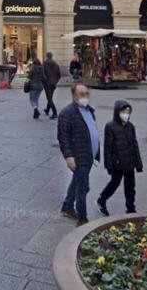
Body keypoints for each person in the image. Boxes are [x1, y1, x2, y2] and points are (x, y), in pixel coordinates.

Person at [58, 84, 100, 226]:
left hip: (89, 155)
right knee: (83, 187)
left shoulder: (89, 111)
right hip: (78, 156)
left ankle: (67, 206)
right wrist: (68, 157)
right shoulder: (67, 113)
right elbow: (63, 137)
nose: (85, 97)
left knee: (77, 181)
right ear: (73, 96)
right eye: (81, 94)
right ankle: (82, 219)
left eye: (87, 93)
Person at [96, 101, 143, 216]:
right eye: (123, 111)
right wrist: (108, 165)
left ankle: (131, 208)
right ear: (117, 112)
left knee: (130, 187)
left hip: (130, 162)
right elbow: (107, 147)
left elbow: (134, 145)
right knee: (114, 183)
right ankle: (102, 199)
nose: (126, 114)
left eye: (128, 112)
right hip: (118, 162)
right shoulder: (110, 126)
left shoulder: (130, 126)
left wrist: (138, 163)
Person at [43, 52, 62, 120]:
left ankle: (55, 113)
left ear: (46, 56)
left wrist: (44, 81)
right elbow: (59, 75)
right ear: (52, 56)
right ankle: (47, 110)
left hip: (47, 83)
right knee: (50, 97)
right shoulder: (56, 64)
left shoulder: (44, 63)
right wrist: (55, 81)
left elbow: (43, 74)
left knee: (49, 98)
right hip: (53, 84)